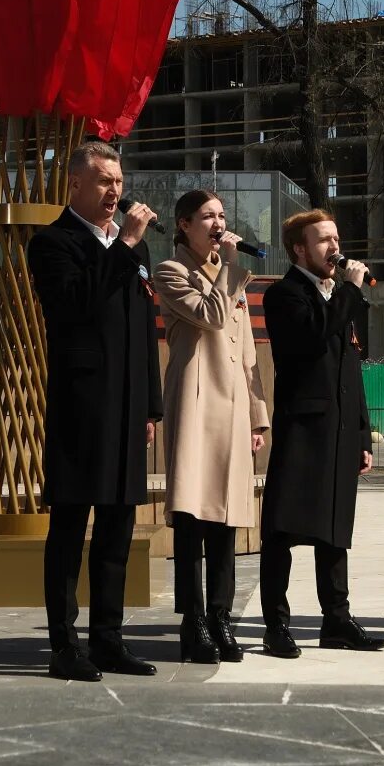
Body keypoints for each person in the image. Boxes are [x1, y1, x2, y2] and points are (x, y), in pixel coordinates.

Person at [27, 141, 162, 682]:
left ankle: (110, 639)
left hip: (129, 408)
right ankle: (65, 645)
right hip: (82, 407)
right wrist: (125, 244)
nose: (115, 191)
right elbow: (76, 303)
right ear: (75, 186)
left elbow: (145, 334)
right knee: (68, 530)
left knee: (117, 529)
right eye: (104, 181)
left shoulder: (133, 252)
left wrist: (151, 405)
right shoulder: (52, 243)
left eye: (119, 180)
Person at [259, 209, 384, 658]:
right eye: (323, 241)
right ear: (299, 249)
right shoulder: (285, 294)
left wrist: (364, 435)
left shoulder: (339, 295)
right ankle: (275, 624)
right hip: (303, 428)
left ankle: (337, 620)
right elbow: (312, 341)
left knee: (335, 530)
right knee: (282, 528)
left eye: (335, 238)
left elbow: (351, 371)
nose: (334, 248)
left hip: (340, 431)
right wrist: (348, 291)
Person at [155, 189, 269, 664]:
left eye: (222, 215)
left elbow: (247, 355)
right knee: (192, 518)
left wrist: (258, 417)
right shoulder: (172, 271)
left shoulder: (230, 275)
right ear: (184, 224)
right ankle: (193, 620)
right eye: (208, 216)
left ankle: (222, 616)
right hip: (196, 402)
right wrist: (229, 273)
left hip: (233, 406)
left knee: (227, 518)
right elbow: (213, 315)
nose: (219, 223)